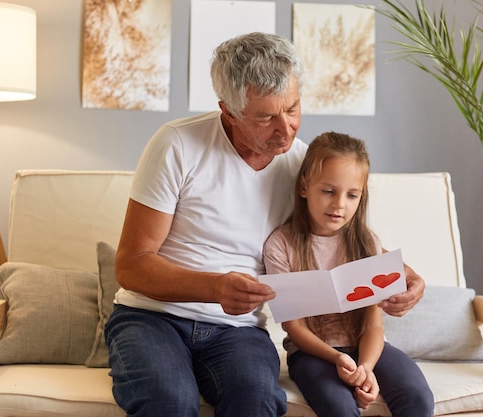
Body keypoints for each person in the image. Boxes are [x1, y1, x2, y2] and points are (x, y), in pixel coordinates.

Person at [107, 32, 425, 417]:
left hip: (239, 330)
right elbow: (131, 263)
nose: (286, 129)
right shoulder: (177, 144)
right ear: (229, 112)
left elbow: (344, 240)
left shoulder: (304, 164)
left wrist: (407, 278)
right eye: (265, 117)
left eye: (292, 108)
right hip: (152, 317)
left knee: (256, 401)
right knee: (170, 401)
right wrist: (214, 287)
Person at [263, 132, 434, 417]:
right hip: (312, 353)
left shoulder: (367, 243)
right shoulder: (281, 246)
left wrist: (365, 367)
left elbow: (373, 326)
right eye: (328, 191)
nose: (339, 204)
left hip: (366, 346)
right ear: (304, 186)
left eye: (352, 195)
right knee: (339, 408)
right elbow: (295, 328)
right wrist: (338, 358)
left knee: (417, 396)